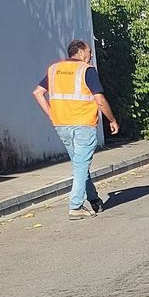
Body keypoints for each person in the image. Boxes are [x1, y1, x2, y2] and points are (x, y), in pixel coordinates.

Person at [32, 40, 119, 219]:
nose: (91, 55)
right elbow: (100, 100)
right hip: (83, 124)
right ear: (80, 52)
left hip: (61, 125)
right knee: (81, 164)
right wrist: (112, 120)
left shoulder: (54, 69)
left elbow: (38, 93)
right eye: (89, 52)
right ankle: (75, 205)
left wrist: (51, 114)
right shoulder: (87, 70)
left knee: (80, 164)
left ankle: (93, 199)